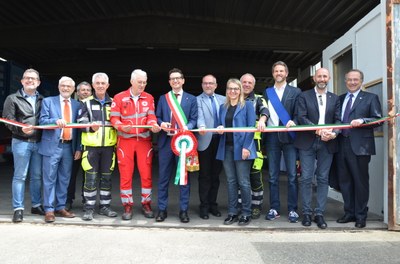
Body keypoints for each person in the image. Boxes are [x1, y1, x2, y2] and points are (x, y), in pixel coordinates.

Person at [110, 69, 160, 220]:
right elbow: (113, 118)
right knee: (126, 175)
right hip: (125, 141)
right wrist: (120, 126)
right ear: (132, 81)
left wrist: (153, 125)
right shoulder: (119, 97)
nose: (142, 85)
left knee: (146, 175)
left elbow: (151, 116)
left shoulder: (149, 97)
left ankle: (146, 203)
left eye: (145, 82)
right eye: (140, 82)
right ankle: (127, 206)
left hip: (144, 141)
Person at [294, 68, 341, 229]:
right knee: (306, 178)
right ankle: (306, 213)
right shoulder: (304, 96)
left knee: (323, 179)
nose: (322, 78)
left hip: (327, 142)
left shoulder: (335, 98)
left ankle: (319, 213)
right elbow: (301, 116)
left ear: (328, 78)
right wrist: (317, 129)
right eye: (319, 76)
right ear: (314, 78)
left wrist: (333, 134)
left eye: (325, 76)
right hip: (307, 140)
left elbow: (338, 120)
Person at [336, 69, 382, 228]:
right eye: (349, 79)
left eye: (356, 80)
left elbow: (378, 120)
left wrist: (363, 120)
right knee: (345, 181)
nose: (352, 82)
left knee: (360, 181)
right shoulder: (340, 99)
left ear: (361, 81)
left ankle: (361, 215)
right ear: (345, 81)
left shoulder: (370, 98)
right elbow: (336, 120)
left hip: (360, 146)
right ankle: (349, 212)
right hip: (341, 143)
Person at [156, 68, 198, 223]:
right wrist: (161, 123)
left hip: (183, 144)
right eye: (172, 79)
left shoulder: (191, 99)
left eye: (178, 78)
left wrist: (188, 126)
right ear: (169, 82)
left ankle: (183, 211)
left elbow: (194, 118)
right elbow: (157, 116)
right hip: (166, 142)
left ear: (183, 80)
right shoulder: (163, 98)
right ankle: (161, 210)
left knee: (184, 178)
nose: (175, 81)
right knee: (163, 178)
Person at [3, 68, 45, 223]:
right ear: (21, 81)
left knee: (36, 176)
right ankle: (18, 208)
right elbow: (8, 120)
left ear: (38, 82)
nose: (30, 80)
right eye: (27, 78)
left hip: (38, 143)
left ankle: (36, 205)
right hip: (20, 142)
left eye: (33, 78)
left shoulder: (42, 99)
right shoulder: (12, 98)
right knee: (20, 176)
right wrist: (21, 129)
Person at [39, 76, 81, 223]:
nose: (65, 88)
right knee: (49, 178)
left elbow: (79, 130)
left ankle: (61, 207)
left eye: (68, 86)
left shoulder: (77, 105)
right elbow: (42, 120)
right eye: (63, 86)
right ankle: (49, 209)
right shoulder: (48, 101)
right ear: (58, 87)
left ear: (73, 89)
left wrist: (78, 148)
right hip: (52, 146)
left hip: (69, 146)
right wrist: (54, 121)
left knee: (64, 179)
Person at [263, 61, 301, 223]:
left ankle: (293, 209)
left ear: (286, 74)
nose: (279, 73)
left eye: (281, 71)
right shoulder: (267, 92)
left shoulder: (296, 91)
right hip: (272, 136)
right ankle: (274, 208)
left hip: (289, 136)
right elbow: (263, 110)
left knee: (292, 176)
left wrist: (295, 121)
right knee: (272, 176)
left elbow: (300, 112)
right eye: (276, 71)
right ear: (273, 74)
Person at [77, 73, 118, 221]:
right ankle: (88, 208)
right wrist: (90, 128)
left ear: (107, 85)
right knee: (91, 179)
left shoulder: (114, 102)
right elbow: (80, 123)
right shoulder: (85, 102)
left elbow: (118, 124)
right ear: (93, 85)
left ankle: (105, 207)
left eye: (103, 83)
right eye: (98, 83)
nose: (100, 85)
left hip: (108, 148)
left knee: (106, 179)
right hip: (91, 148)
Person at [216, 78, 256, 226]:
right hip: (226, 148)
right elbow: (219, 125)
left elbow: (251, 128)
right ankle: (232, 212)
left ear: (240, 91)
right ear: (226, 91)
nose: (232, 91)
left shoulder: (248, 106)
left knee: (244, 182)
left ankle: (246, 213)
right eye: (230, 88)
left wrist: (247, 147)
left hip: (242, 149)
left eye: (236, 89)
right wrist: (219, 128)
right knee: (231, 181)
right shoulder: (222, 107)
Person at [196, 74, 225, 219]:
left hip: (220, 141)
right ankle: (204, 206)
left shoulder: (223, 99)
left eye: (211, 83)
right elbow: (200, 116)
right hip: (205, 140)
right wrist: (201, 126)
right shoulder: (198, 100)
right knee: (204, 176)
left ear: (215, 85)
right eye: (205, 83)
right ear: (202, 85)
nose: (208, 85)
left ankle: (213, 204)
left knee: (216, 175)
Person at [240, 73, 268, 219]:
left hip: (255, 146)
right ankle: (242, 205)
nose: (246, 85)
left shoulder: (258, 98)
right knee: (241, 177)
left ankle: (256, 206)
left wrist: (262, 120)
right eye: (244, 82)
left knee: (255, 177)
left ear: (254, 84)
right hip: (239, 145)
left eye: (249, 82)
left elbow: (265, 110)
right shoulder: (234, 97)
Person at [66, 81, 92, 211]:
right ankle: (68, 200)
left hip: (91, 147)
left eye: (88, 90)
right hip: (75, 147)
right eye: (83, 90)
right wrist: (78, 148)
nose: (86, 92)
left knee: (88, 176)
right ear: (77, 92)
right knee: (71, 175)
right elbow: (75, 130)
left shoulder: (94, 105)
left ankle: (86, 201)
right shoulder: (74, 106)